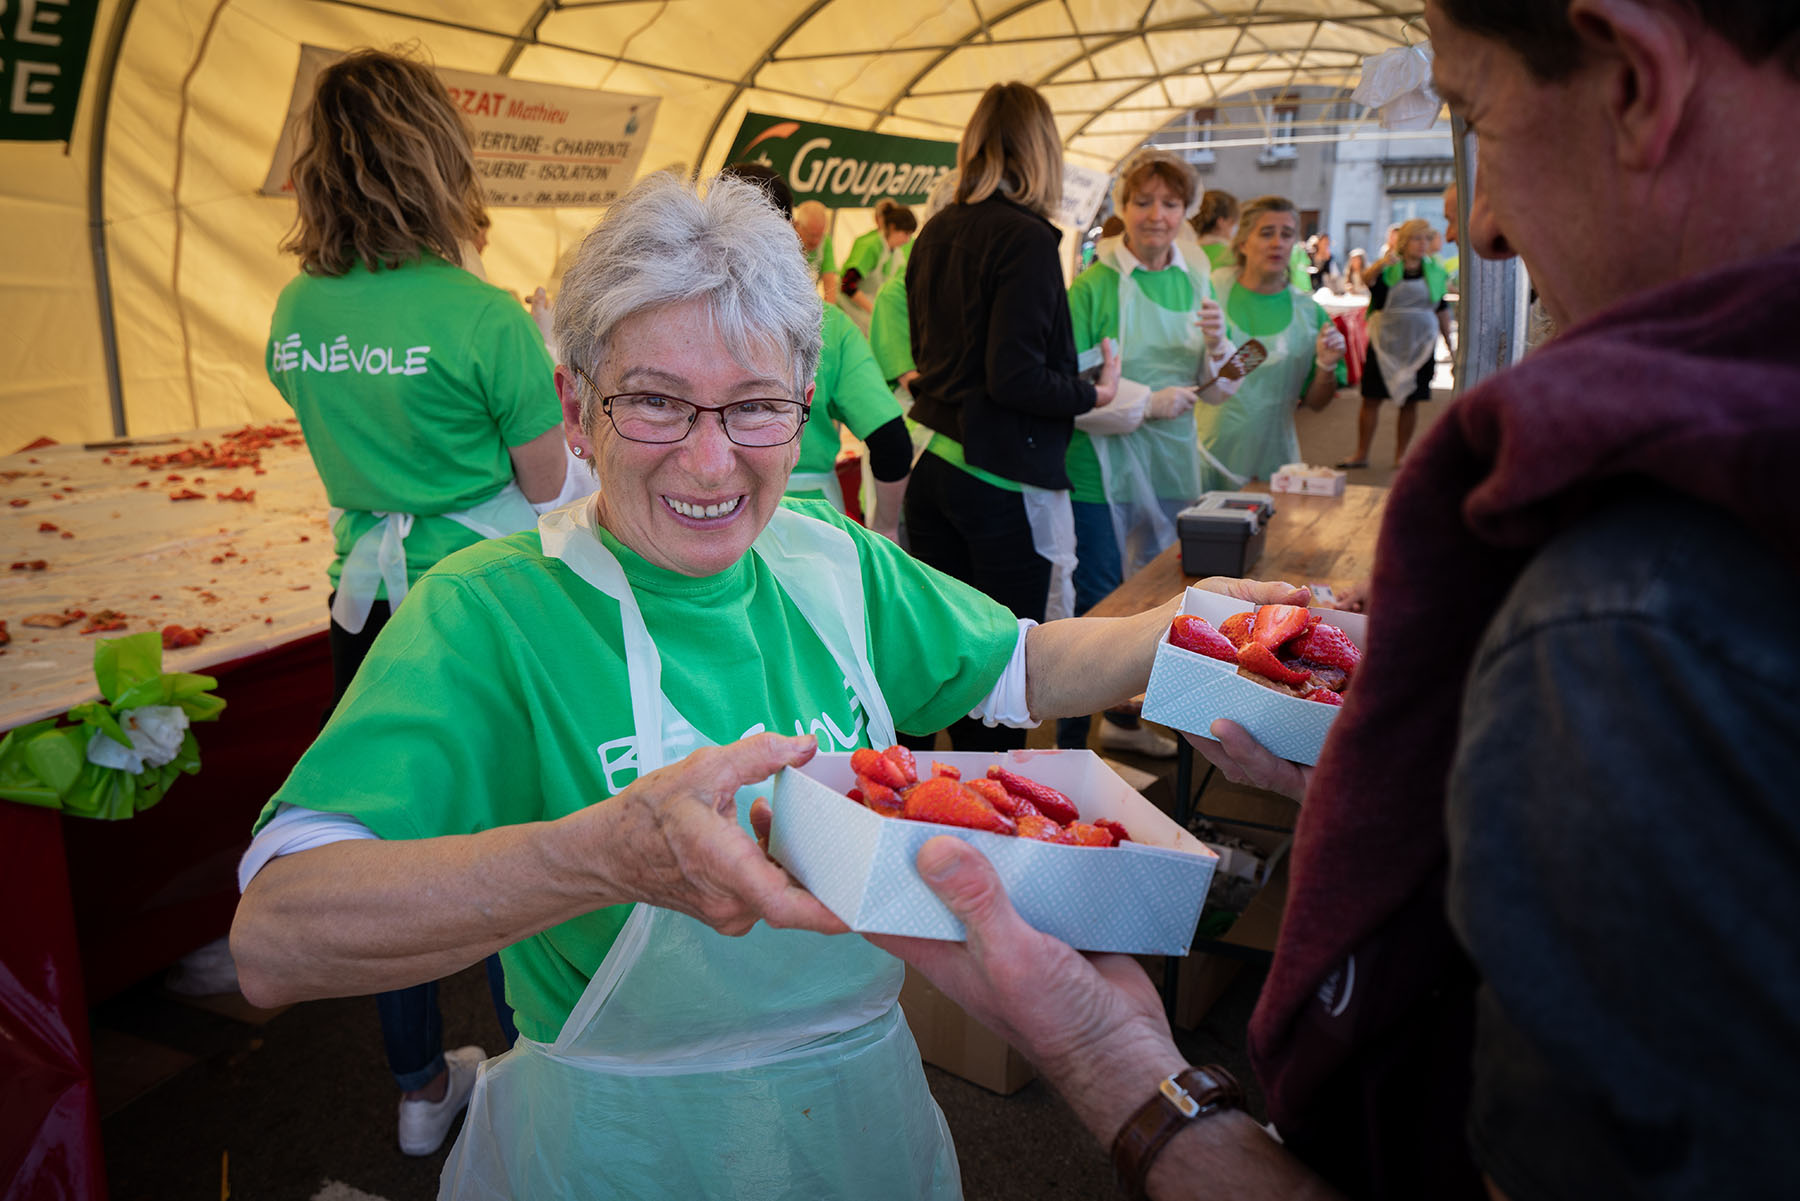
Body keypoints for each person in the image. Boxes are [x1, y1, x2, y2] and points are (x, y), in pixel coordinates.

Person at [875, 1, 1800, 1197]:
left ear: (1634, 82)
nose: (1486, 225)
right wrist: (1427, 794)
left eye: (1475, 122)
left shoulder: (1626, 613)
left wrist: (1116, 1065)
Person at [233, 168, 1196, 1198]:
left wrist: (1189, 631)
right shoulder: (489, 610)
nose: (708, 462)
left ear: (805, 405)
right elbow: (279, 936)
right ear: (573, 403)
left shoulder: (830, 557)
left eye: (754, 408)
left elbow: (1023, 664)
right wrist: (597, 857)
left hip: (864, 1126)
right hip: (614, 1150)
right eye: (653, 402)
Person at [265, 48, 568, 1157]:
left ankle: (417, 1083)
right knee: (494, 844)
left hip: (367, 611)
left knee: (386, 842)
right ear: (438, 156)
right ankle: (528, 1053)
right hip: (481, 606)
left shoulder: (297, 307)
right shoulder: (483, 317)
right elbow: (547, 481)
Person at [902, 81, 1121, 752]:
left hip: (933, 465)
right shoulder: (1026, 239)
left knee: (951, 664)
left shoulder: (936, 230)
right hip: (1000, 478)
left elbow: (943, 354)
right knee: (1006, 675)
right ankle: (983, 832)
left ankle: (939, 819)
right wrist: (1094, 392)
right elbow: (1015, 375)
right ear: (1042, 150)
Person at [1057, 148, 1232, 758]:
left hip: (1170, 462)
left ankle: (1129, 727)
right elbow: (1070, 391)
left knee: (1164, 602)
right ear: (1123, 208)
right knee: (1104, 604)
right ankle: (1074, 745)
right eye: (1143, 201)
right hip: (1099, 469)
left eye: (1170, 202)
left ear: (1186, 209)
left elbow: (1228, 381)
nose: (1157, 215)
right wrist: (1147, 402)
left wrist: (1217, 349)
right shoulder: (1093, 287)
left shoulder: (1197, 276)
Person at [720, 165, 912, 539]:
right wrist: (886, 529)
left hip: (701, 516)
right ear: (788, 228)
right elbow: (891, 441)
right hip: (809, 524)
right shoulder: (828, 326)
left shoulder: (671, 322)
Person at [1196, 195, 1346, 489]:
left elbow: (1317, 403)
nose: (1277, 242)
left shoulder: (1309, 314)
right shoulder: (1208, 293)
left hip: (1274, 462)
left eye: (1287, 234)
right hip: (1204, 457)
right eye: (1266, 233)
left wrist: (1326, 367)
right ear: (1242, 242)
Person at [1337, 217, 1452, 469]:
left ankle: (1402, 456)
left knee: (1411, 401)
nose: (1422, 244)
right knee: (1371, 398)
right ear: (1404, 241)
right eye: (1416, 238)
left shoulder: (1434, 272)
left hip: (1419, 345)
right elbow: (1365, 280)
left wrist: (1452, 348)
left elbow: (1442, 310)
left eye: (1426, 238)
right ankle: (1361, 453)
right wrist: (1381, 263)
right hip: (1384, 343)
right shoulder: (1388, 268)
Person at [837, 199, 916, 335]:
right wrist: (874, 310)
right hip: (848, 311)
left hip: (865, 313)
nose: (908, 240)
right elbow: (847, 285)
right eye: (906, 234)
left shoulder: (894, 252)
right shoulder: (870, 247)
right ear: (892, 228)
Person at [793, 199, 839, 302]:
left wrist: (830, 312)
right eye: (811, 235)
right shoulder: (785, 240)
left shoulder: (825, 242)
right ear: (797, 225)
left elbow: (830, 283)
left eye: (820, 235)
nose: (816, 241)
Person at [1191, 189, 1239, 272]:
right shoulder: (1231, 255)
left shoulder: (1188, 250)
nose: (1236, 228)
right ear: (1221, 222)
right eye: (1233, 222)